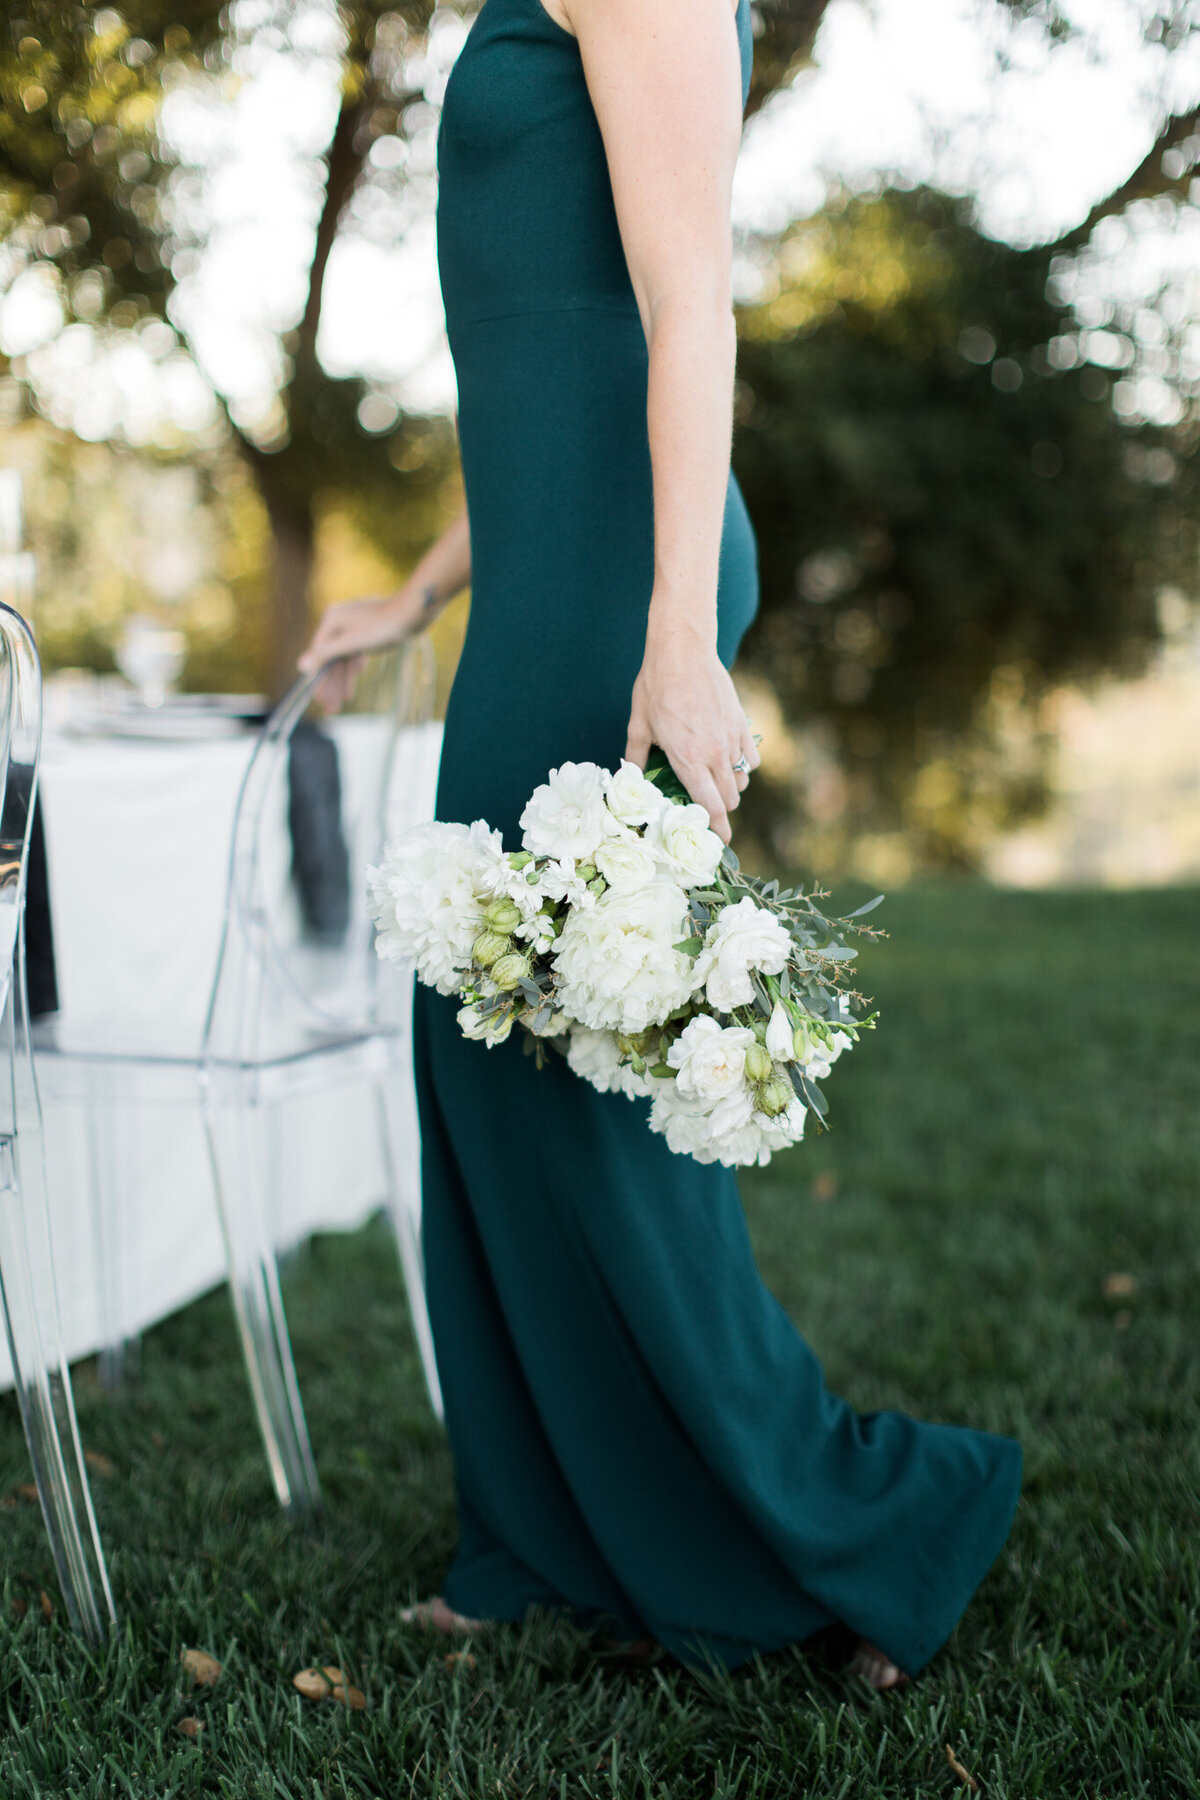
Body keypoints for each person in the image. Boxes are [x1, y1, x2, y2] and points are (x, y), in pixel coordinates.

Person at [298, 0, 1022, 1690]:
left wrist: (677, 640)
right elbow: (562, 345)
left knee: (586, 1077)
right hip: (557, 575)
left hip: (624, 598)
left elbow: (691, 308)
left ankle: (848, 1532)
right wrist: (415, 588)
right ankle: (539, 1541)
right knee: (485, 1049)